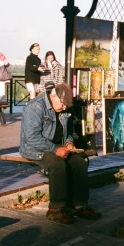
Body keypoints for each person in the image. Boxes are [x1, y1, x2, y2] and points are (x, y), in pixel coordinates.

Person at [19, 82, 100, 224]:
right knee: (57, 164)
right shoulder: (35, 107)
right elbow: (32, 138)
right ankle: (56, 208)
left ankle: (79, 205)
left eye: (66, 106)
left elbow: (67, 132)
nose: (63, 108)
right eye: (62, 105)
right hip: (34, 148)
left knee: (79, 162)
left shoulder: (63, 107)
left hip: (56, 146)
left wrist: (69, 142)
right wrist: (56, 149)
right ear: (53, 95)